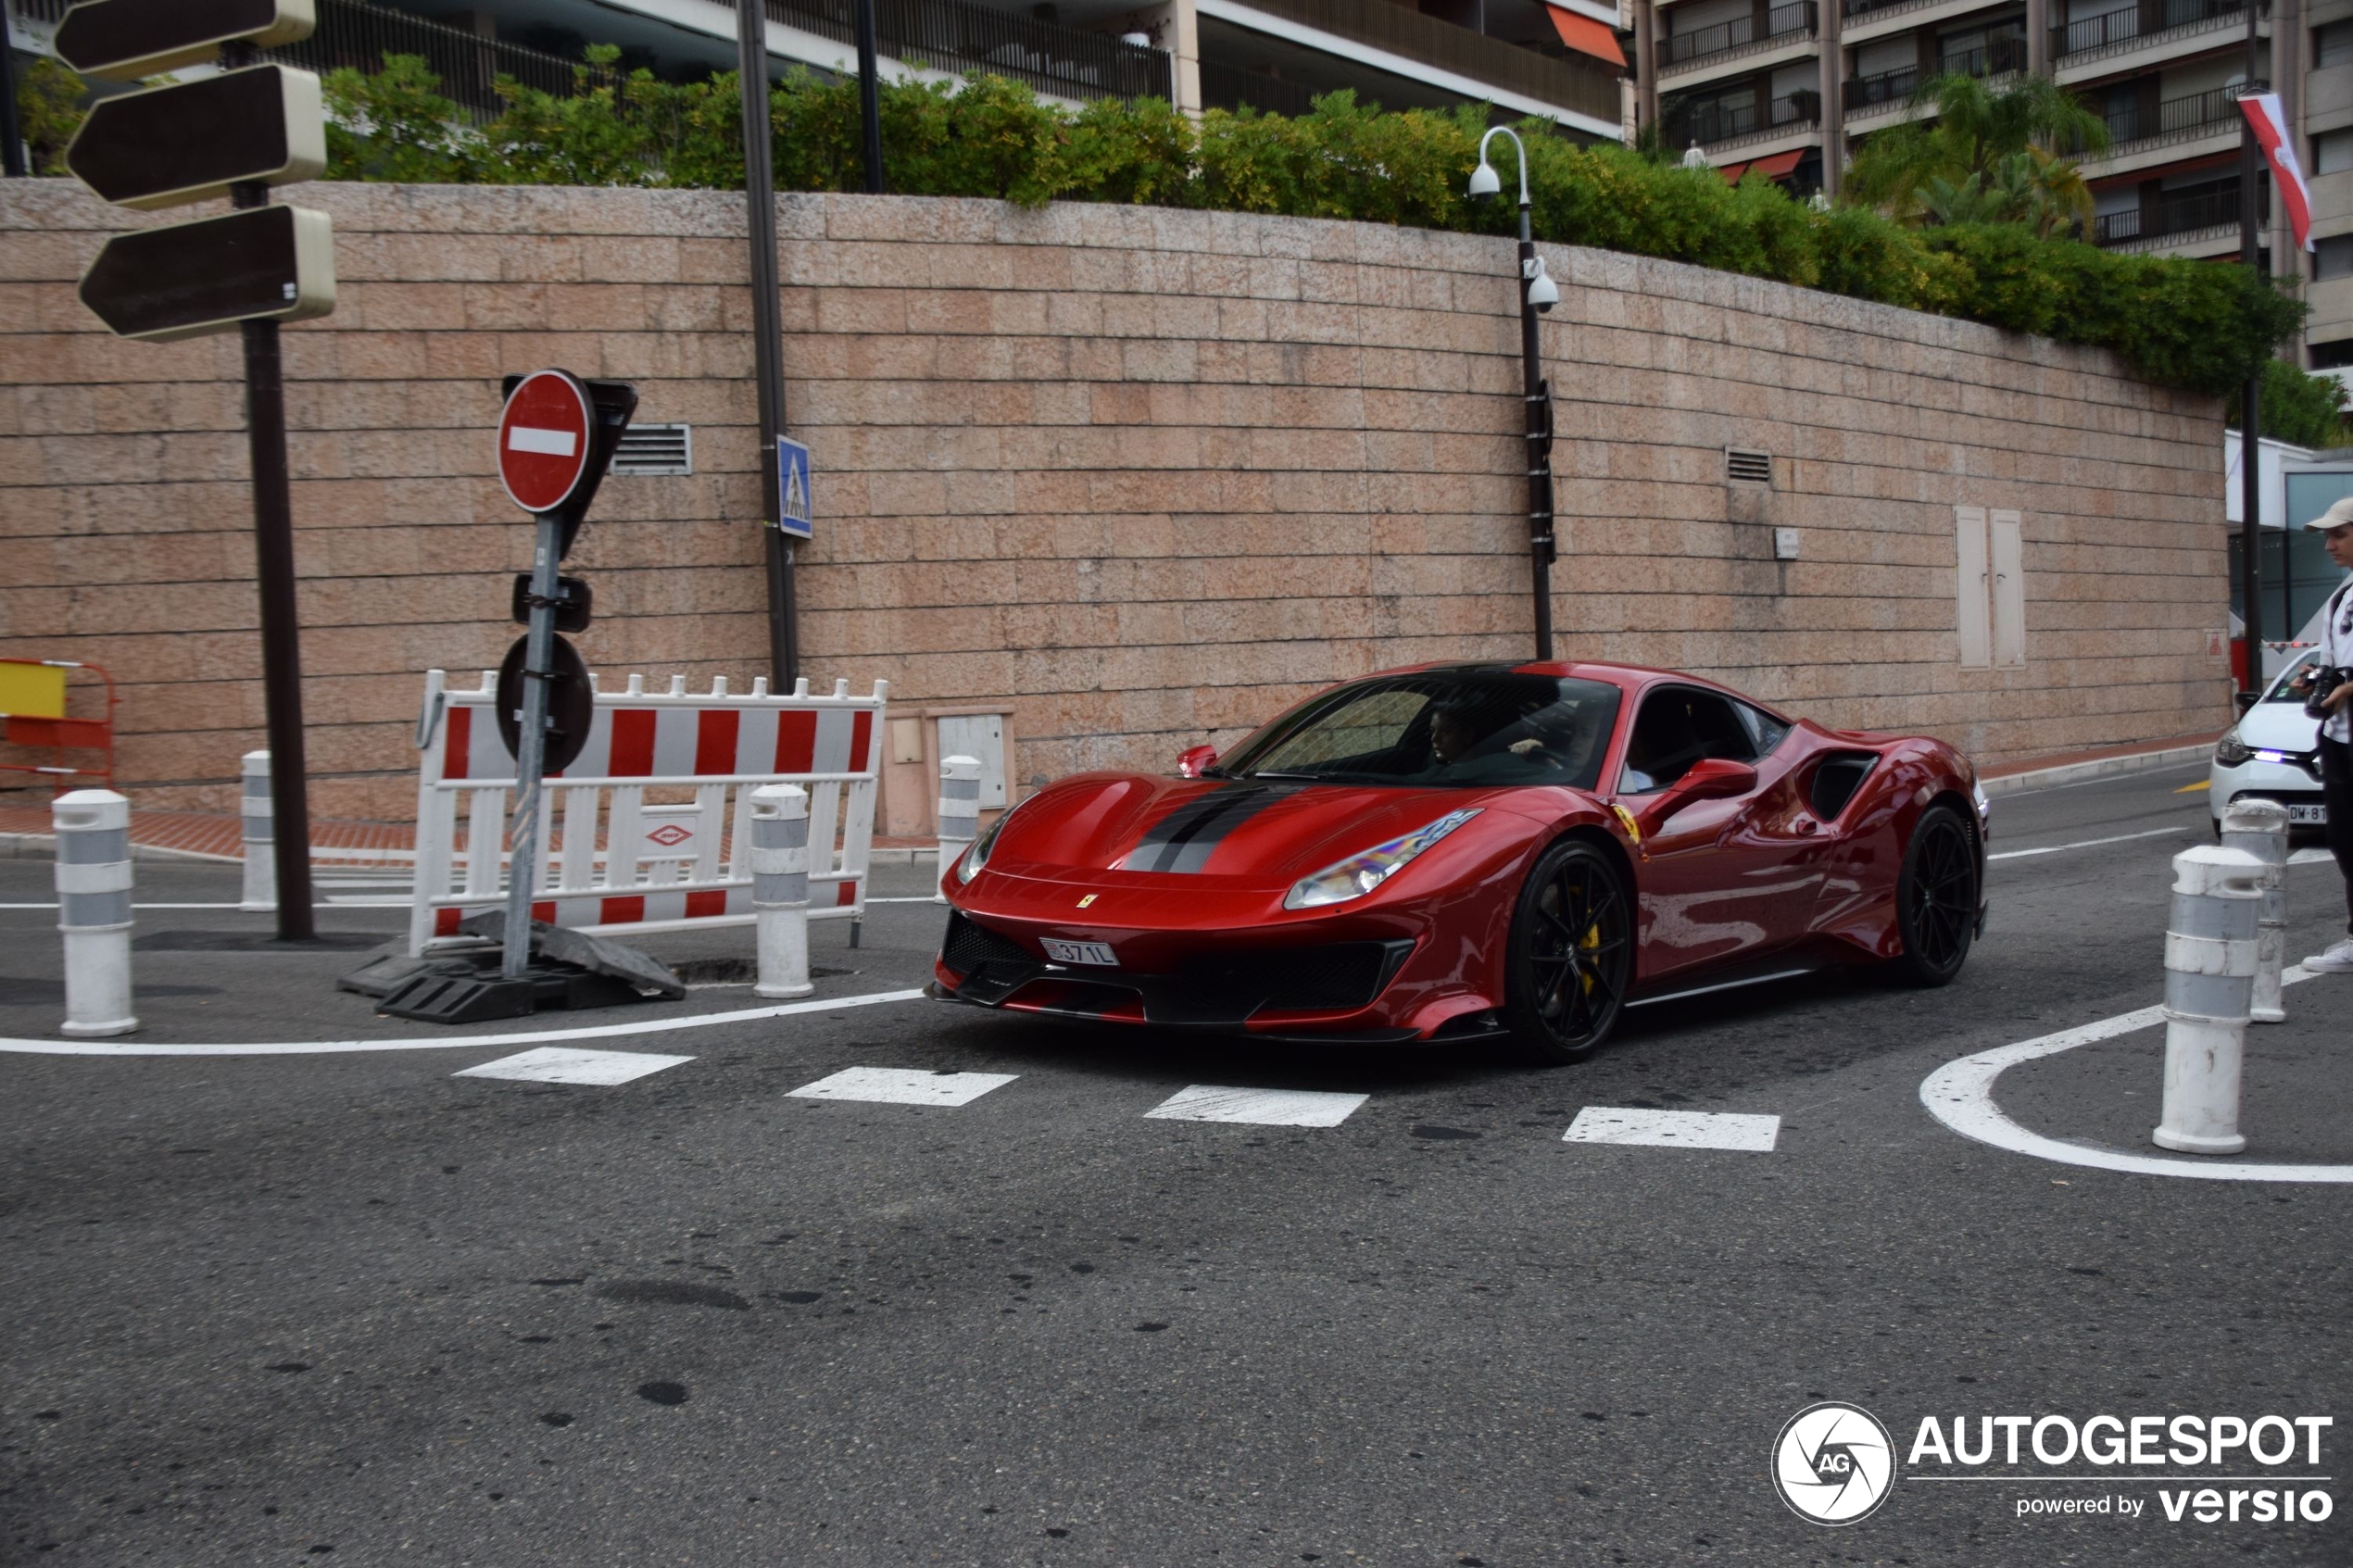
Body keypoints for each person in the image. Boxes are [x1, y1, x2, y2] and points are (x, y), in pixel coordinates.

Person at [2293, 495, 2353, 973]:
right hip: (2340, 737)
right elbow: (2337, 664)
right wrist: (2315, 678)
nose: (2329, 544)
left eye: (2340, 534)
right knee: (2344, 838)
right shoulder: (2342, 594)